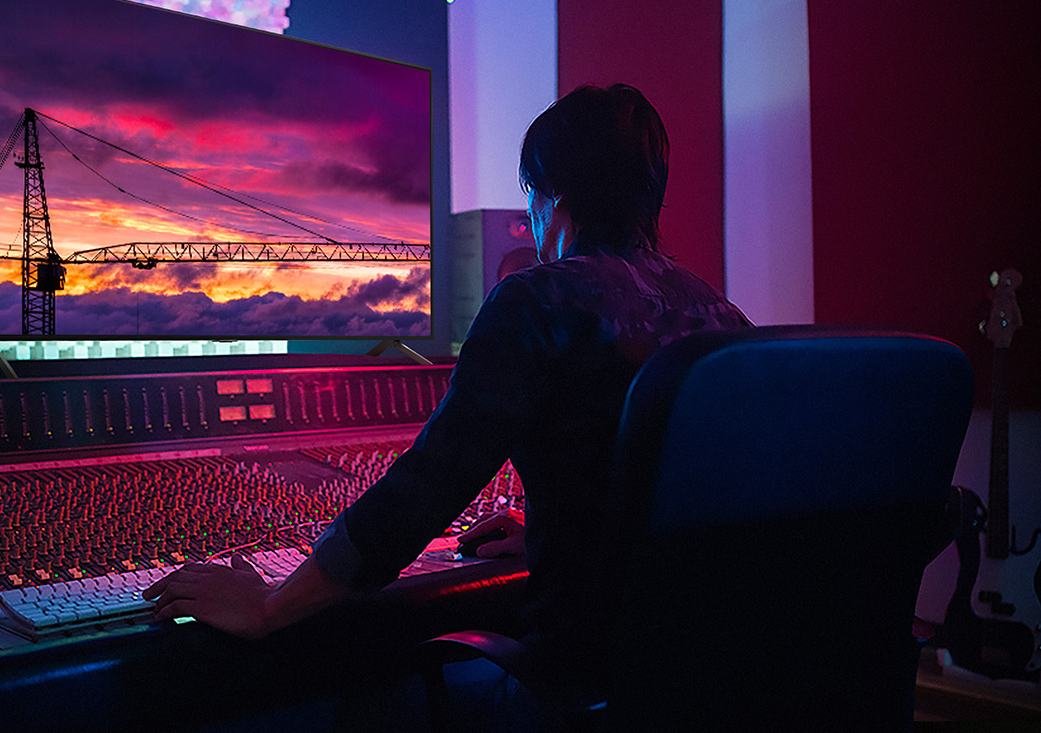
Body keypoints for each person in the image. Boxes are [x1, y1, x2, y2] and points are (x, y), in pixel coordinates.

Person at [143, 83, 752, 727]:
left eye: (532, 201)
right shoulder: (724, 319)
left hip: (578, 686)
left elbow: (425, 490)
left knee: (364, 699)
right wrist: (569, 532)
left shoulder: (536, 304)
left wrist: (271, 603)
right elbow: (700, 505)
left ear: (557, 203)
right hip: (706, 682)